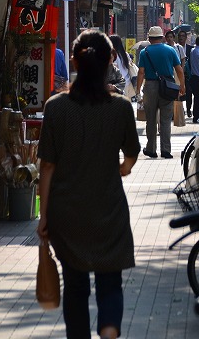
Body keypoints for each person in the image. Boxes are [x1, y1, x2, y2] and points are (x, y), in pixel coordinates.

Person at [37, 29, 140, 339]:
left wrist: (44, 216)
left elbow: (47, 166)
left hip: (67, 213)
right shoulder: (120, 107)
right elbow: (132, 154)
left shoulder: (56, 107)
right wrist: (122, 168)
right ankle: (109, 331)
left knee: (76, 285)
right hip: (108, 209)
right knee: (110, 282)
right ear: (111, 61)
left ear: (74, 62)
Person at [136, 25, 185, 159]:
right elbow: (179, 69)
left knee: (150, 120)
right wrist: (182, 86)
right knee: (165, 120)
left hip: (150, 86)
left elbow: (141, 72)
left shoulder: (144, 52)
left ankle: (151, 149)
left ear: (150, 39)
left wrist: (138, 90)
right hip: (168, 86)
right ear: (162, 38)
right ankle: (166, 150)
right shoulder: (170, 50)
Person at [176, 28, 192, 118]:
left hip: (187, 75)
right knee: (178, 93)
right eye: (179, 36)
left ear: (186, 38)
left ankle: (189, 109)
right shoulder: (175, 48)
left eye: (183, 36)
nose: (181, 38)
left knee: (189, 92)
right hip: (177, 75)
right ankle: (179, 110)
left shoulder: (190, 49)